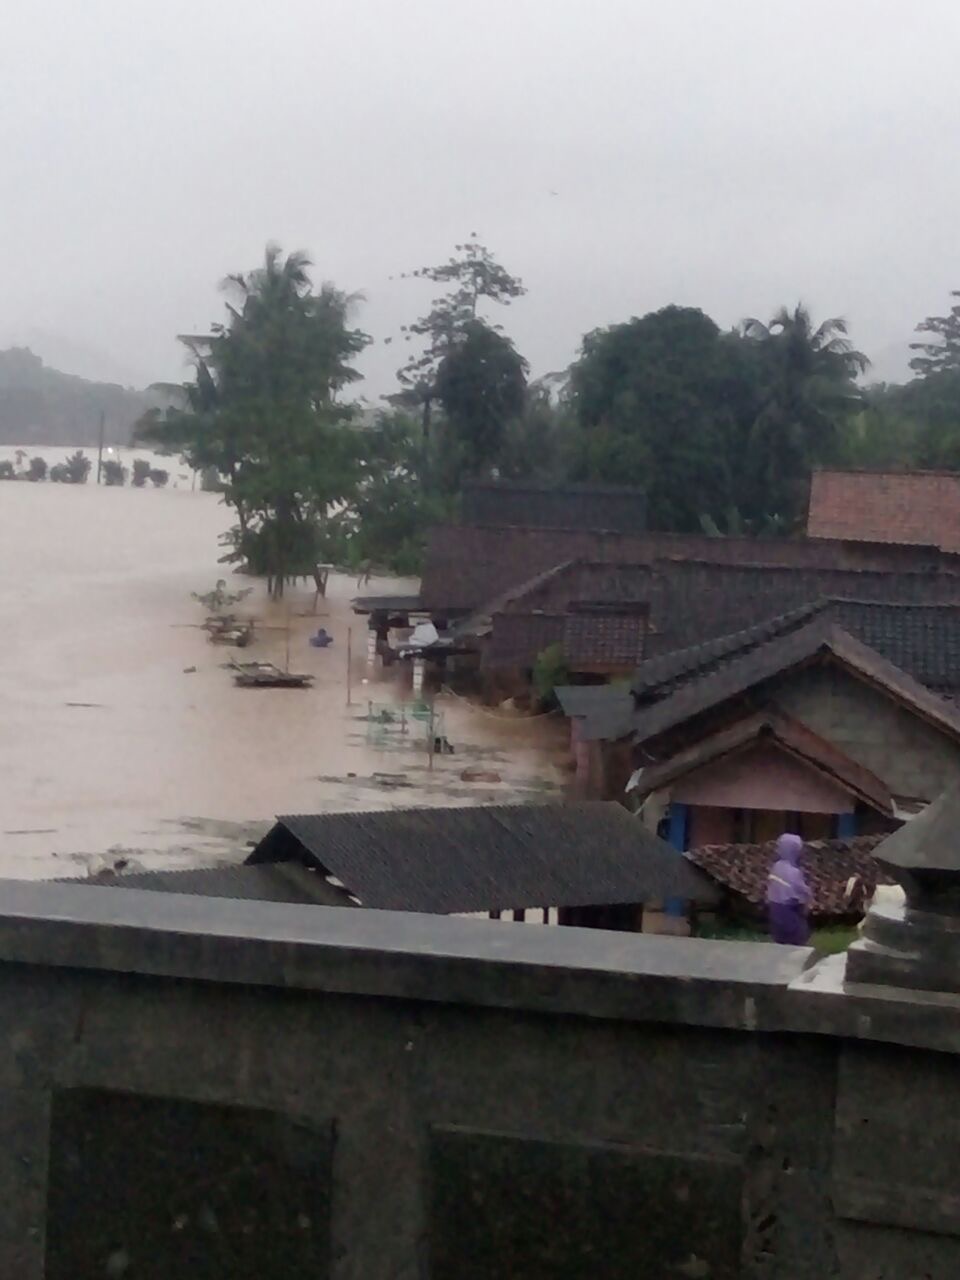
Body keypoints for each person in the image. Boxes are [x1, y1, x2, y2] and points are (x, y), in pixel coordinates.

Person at [766, 832, 812, 945]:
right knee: (798, 938)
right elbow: (800, 891)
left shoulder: (776, 866)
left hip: (775, 909)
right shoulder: (793, 871)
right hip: (790, 909)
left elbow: (772, 886)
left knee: (780, 939)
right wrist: (808, 896)